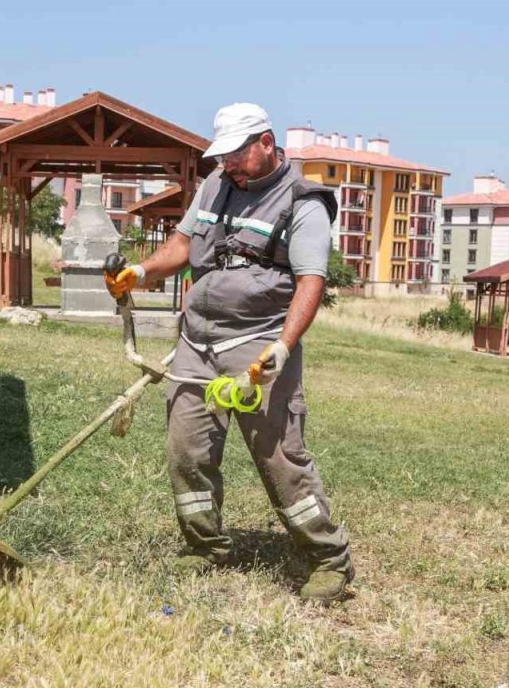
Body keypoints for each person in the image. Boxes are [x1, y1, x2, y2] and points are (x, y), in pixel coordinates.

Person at [105, 103, 353, 602]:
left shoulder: (302, 202)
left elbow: (310, 283)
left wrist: (282, 348)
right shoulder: (216, 183)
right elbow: (182, 244)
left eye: (238, 154)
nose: (229, 165)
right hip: (196, 341)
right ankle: (205, 545)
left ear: (266, 142)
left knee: (280, 456)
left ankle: (327, 559)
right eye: (223, 156)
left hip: (257, 345)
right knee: (187, 448)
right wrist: (143, 273)